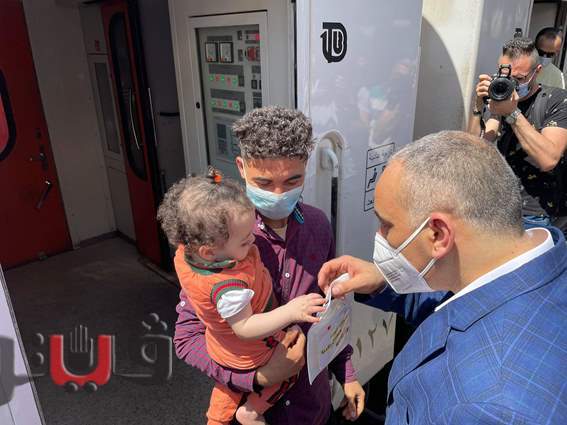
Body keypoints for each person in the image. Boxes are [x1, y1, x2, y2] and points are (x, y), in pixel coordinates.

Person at [319, 130, 567, 424]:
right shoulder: (532, 264)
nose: (379, 235)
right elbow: (460, 304)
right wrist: (384, 280)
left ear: (437, 234)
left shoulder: (486, 408)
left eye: (386, 225)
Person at [173, 106, 364, 424]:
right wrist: (258, 378)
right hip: (249, 410)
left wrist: (347, 372)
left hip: (312, 407)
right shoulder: (218, 239)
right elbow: (187, 338)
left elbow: (329, 309)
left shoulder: (318, 225)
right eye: (264, 182)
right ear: (241, 168)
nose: (278, 194)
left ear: (306, 167)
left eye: (292, 180)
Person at [158, 171, 327, 424]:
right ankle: (252, 412)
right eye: (245, 241)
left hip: (225, 351)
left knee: (226, 392)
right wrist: (291, 311)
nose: (253, 240)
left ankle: (216, 419)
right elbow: (245, 327)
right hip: (252, 353)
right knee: (290, 370)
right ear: (208, 251)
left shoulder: (191, 256)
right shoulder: (228, 288)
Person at [468, 37, 567, 233]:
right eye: (506, 76)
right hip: (500, 207)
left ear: (537, 71)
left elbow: (548, 159)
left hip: (538, 213)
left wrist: (512, 113)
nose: (512, 84)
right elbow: (475, 148)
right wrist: (478, 106)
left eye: (519, 79)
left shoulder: (556, 100)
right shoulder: (500, 96)